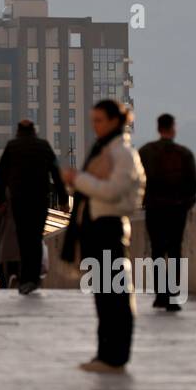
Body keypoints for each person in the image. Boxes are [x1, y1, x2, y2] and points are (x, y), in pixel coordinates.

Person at [61, 100, 145, 373]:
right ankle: (105, 353)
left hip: (109, 228)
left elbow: (112, 191)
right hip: (96, 229)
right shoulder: (105, 150)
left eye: (99, 120)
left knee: (115, 295)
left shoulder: (122, 153)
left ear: (113, 121)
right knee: (103, 294)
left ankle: (115, 355)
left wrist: (79, 179)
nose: (95, 125)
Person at [0, 119, 69, 295]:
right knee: (36, 237)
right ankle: (33, 278)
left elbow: (1, 174)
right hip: (39, 199)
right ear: (34, 131)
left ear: (18, 131)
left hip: (19, 200)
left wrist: (2, 200)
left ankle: (25, 278)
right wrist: (63, 199)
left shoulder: (12, 146)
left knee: (23, 238)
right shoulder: (43, 146)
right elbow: (56, 172)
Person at [137, 113, 196, 310]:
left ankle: (161, 295)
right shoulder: (184, 153)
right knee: (174, 250)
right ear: (173, 128)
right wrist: (185, 204)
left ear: (158, 128)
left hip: (155, 208)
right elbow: (194, 182)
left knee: (157, 251)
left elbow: (136, 179)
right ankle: (173, 295)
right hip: (176, 209)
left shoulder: (145, 152)